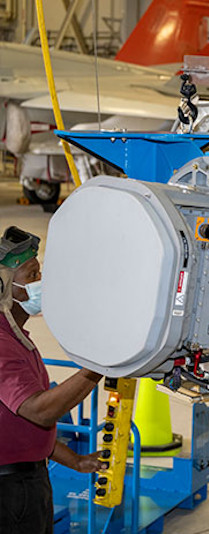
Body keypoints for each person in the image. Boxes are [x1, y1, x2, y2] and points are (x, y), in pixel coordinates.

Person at [0, 226, 104, 534]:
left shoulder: (18, 338)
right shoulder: (2, 344)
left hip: (29, 479)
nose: (41, 282)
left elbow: (26, 428)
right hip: (10, 491)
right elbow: (40, 411)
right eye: (32, 275)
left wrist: (76, 461)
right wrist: (96, 367)